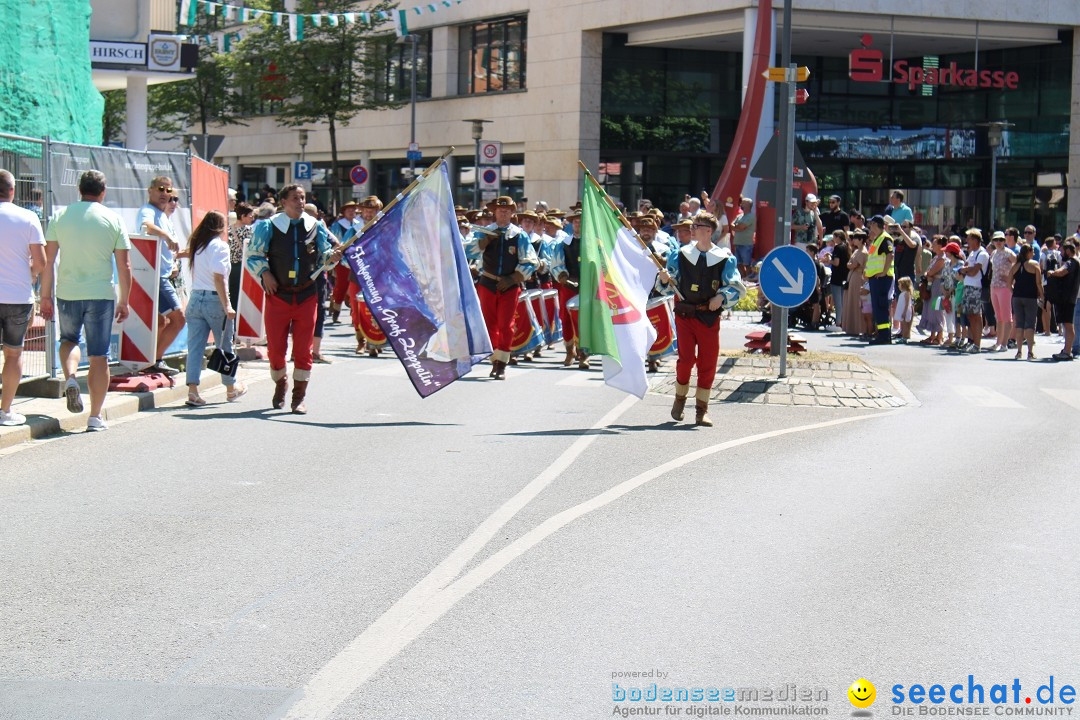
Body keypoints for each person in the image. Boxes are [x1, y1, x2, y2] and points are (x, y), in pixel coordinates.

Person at [40, 170, 131, 431]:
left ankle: (70, 378)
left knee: (69, 341)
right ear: (103, 192)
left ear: (79, 190)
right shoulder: (113, 219)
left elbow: (48, 263)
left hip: (68, 292)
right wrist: (125, 300)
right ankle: (94, 417)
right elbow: (124, 265)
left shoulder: (61, 216)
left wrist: (45, 296)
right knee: (99, 356)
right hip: (101, 294)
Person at [246, 184, 343, 413]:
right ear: (283, 202)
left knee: (303, 348)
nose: (300, 202)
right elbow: (253, 254)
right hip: (278, 295)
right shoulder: (269, 226)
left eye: (303, 198)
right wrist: (264, 273)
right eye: (295, 198)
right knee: (276, 350)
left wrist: (333, 257)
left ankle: (299, 397)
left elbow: (324, 258)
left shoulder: (316, 226)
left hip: (307, 294)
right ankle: (281, 383)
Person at [657, 212, 745, 427]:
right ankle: (679, 400)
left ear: (708, 230)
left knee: (708, 362)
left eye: (696, 226)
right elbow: (671, 282)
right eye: (692, 226)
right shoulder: (680, 254)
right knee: (686, 360)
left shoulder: (724, 258)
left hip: (708, 317)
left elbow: (735, 286)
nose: (691, 229)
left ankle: (701, 410)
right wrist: (666, 279)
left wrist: (721, 296)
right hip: (685, 315)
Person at [467, 196, 538, 379]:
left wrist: (515, 278)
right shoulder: (485, 231)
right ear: (494, 212)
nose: (503, 213)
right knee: (489, 324)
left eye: (507, 210)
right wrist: (483, 242)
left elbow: (531, 261)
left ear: (512, 213)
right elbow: (467, 250)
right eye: (500, 210)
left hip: (510, 285)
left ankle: (502, 363)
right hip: (487, 283)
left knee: (506, 324)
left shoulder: (519, 234)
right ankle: (494, 361)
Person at [183, 211, 246, 405]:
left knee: (194, 347)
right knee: (225, 345)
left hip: (195, 298)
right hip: (213, 300)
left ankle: (193, 391)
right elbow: (219, 278)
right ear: (221, 227)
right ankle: (230, 387)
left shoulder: (198, 246)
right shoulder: (219, 246)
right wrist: (227, 305)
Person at [0, 169, 46, 426]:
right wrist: (29, 274)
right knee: (14, 354)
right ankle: (6, 410)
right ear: (12, 191)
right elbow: (40, 261)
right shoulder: (28, 217)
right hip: (18, 296)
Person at [134, 175, 184, 376]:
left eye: (169, 191)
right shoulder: (148, 211)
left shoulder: (163, 214)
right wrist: (167, 236)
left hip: (162, 274)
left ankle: (149, 360)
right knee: (179, 319)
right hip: (155, 277)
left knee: (162, 322)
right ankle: (154, 360)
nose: (165, 194)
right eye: (161, 189)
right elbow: (147, 227)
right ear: (150, 190)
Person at [550, 208, 587, 369]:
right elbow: (555, 264)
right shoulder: (563, 244)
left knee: (585, 320)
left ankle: (584, 354)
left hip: (587, 286)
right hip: (569, 285)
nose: (578, 224)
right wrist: (563, 276)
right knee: (566, 318)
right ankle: (569, 351)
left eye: (581, 221)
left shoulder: (592, 242)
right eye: (576, 221)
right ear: (572, 224)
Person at [954, 228, 990, 354]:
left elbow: (974, 271)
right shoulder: (972, 253)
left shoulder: (982, 254)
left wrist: (966, 269)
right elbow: (966, 268)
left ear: (975, 240)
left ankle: (977, 344)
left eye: (969, 239)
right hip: (968, 286)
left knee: (976, 315)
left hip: (976, 287)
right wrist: (966, 269)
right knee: (970, 315)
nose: (967, 241)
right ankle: (973, 341)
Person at [1007, 243, 1042, 360]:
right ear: (1028, 252)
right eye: (1032, 251)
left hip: (1017, 297)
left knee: (1019, 324)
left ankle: (1019, 351)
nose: (1034, 253)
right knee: (1030, 324)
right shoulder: (1034, 265)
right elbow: (1038, 283)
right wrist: (1042, 295)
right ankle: (1030, 352)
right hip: (1030, 297)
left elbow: (1008, 284)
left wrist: (1015, 292)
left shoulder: (1015, 266)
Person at [864, 215, 895, 344]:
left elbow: (890, 255)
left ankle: (884, 336)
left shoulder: (884, 238)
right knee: (878, 307)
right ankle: (883, 335)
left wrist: (883, 272)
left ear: (876, 224)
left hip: (881, 278)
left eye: (871, 224)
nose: (870, 226)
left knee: (880, 307)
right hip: (875, 278)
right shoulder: (877, 239)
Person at [1046, 240, 1080, 360]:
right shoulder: (1075, 261)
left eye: (1062, 251)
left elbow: (1062, 272)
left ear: (1068, 250)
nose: (1061, 254)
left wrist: (1052, 272)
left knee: (1068, 325)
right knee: (1068, 325)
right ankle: (1067, 349)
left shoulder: (1072, 261)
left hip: (1067, 298)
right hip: (1069, 297)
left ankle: (1067, 351)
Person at [328, 201, 358, 323]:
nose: (351, 212)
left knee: (355, 287)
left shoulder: (359, 225)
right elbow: (335, 242)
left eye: (353, 210)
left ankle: (354, 314)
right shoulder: (338, 225)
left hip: (356, 260)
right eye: (349, 210)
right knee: (342, 285)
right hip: (342, 260)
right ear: (344, 212)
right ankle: (336, 311)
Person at [988, 229, 1017, 352]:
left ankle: (1004, 344)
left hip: (1005, 287)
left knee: (1006, 316)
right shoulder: (994, 253)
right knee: (998, 316)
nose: (998, 242)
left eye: (1001, 240)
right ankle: (998, 342)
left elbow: (1018, 265)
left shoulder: (1009, 253)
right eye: (996, 240)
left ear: (1004, 241)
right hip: (994, 286)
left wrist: (1010, 278)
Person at [918, 236, 947, 346]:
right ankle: (932, 335)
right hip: (932, 285)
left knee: (937, 309)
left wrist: (928, 274)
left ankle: (939, 336)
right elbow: (928, 272)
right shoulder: (936, 257)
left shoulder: (942, 258)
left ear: (940, 245)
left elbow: (930, 272)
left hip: (938, 286)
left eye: (934, 244)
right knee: (931, 309)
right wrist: (927, 274)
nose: (932, 245)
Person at [228, 203, 254, 311]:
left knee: (232, 294)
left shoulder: (229, 229)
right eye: (250, 216)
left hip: (230, 267)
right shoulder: (247, 230)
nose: (252, 218)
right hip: (242, 267)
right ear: (243, 216)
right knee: (242, 295)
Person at [841, 230, 867, 337]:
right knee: (849, 301)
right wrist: (850, 265)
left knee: (856, 302)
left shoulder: (863, 252)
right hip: (851, 277)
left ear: (861, 240)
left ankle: (858, 328)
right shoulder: (856, 251)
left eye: (856, 238)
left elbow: (853, 265)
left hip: (857, 277)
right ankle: (850, 327)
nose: (854, 240)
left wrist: (850, 265)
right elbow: (849, 264)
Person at [825, 229, 849, 329]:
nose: (833, 239)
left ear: (838, 237)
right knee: (843, 301)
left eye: (834, 237)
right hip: (845, 276)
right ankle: (843, 321)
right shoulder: (846, 247)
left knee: (838, 301)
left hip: (837, 276)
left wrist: (829, 260)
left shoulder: (838, 248)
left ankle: (838, 322)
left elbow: (836, 263)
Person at [731, 197, 755, 278]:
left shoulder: (751, 216)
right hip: (737, 243)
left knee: (747, 264)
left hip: (746, 244)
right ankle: (743, 278)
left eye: (744, 203)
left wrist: (736, 227)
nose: (741, 204)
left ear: (749, 206)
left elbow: (742, 227)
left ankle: (748, 278)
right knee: (738, 263)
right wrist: (737, 227)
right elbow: (731, 225)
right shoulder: (739, 216)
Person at [892, 277, 914, 344]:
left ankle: (904, 337)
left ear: (903, 285)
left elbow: (907, 303)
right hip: (903, 311)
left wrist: (904, 312)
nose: (898, 286)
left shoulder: (906, 293)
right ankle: (904, 336)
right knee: (903, 324)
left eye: (899, 284)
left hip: (905, 311)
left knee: (905, 325)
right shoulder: (902, 293)